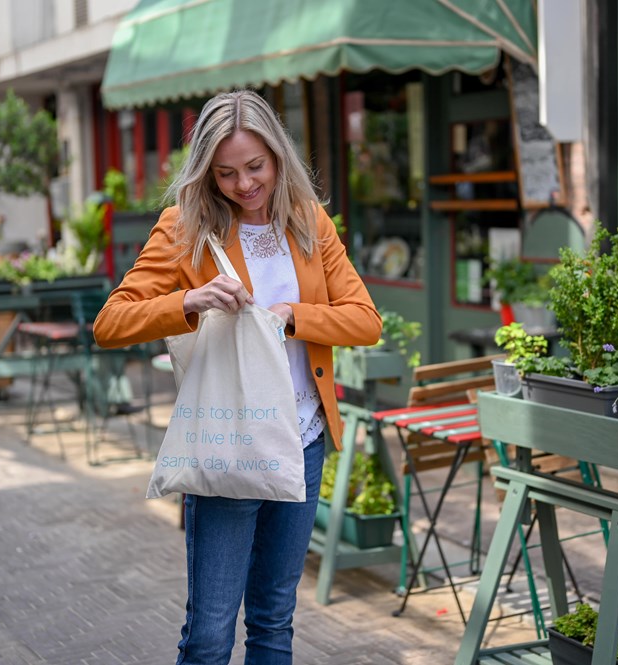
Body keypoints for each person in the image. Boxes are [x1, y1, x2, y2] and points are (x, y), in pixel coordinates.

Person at [92, 90, 381, 664]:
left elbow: (364, 320)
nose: (245, 184)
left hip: (302, 440)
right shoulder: (184, 228)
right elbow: (110, 323)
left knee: (275, 620)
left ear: (278, 157)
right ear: (206, 171)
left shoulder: (308, 223)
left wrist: (293, 316)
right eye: (226, 173)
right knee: (210, 633)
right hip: (227, 445)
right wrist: (189, 301)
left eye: (256, 167)